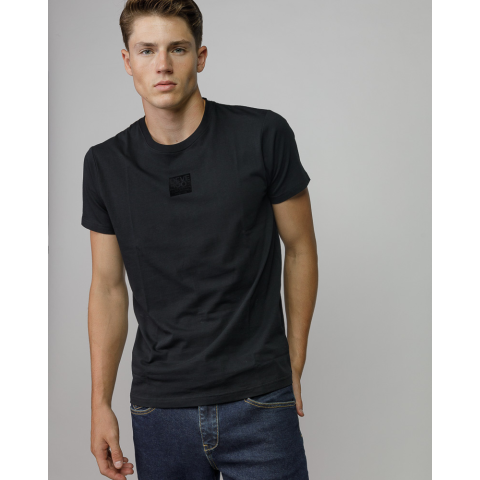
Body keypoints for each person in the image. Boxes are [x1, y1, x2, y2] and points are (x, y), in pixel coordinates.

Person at [82, 1, 318, 479]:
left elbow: (300, 248)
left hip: (259, 401)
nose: (162, 65)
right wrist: (99, 404)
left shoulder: (262, 135)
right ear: (127, 61)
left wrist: (293, 361)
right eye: (146, 50)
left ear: (201, 56)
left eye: (177, 49)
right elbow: (107, 288)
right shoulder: (105, 164)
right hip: (160, 412)